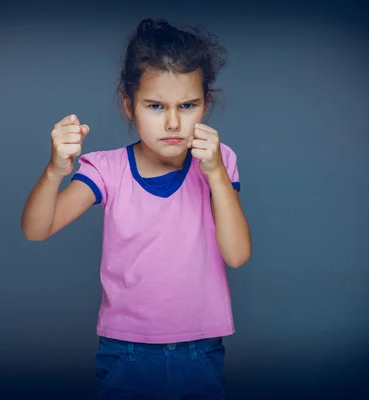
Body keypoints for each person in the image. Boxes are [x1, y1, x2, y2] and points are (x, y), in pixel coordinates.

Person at [21, 17, 251, 400]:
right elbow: (36, 229)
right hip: (126, 351)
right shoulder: (107, 169)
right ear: (130, 105)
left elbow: (238, 254)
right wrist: (54, 171)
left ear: (206, 103)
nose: (174, 122)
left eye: (188, 105)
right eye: (156, 106)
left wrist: (215, 175)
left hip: (201, 349)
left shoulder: (219, 161)